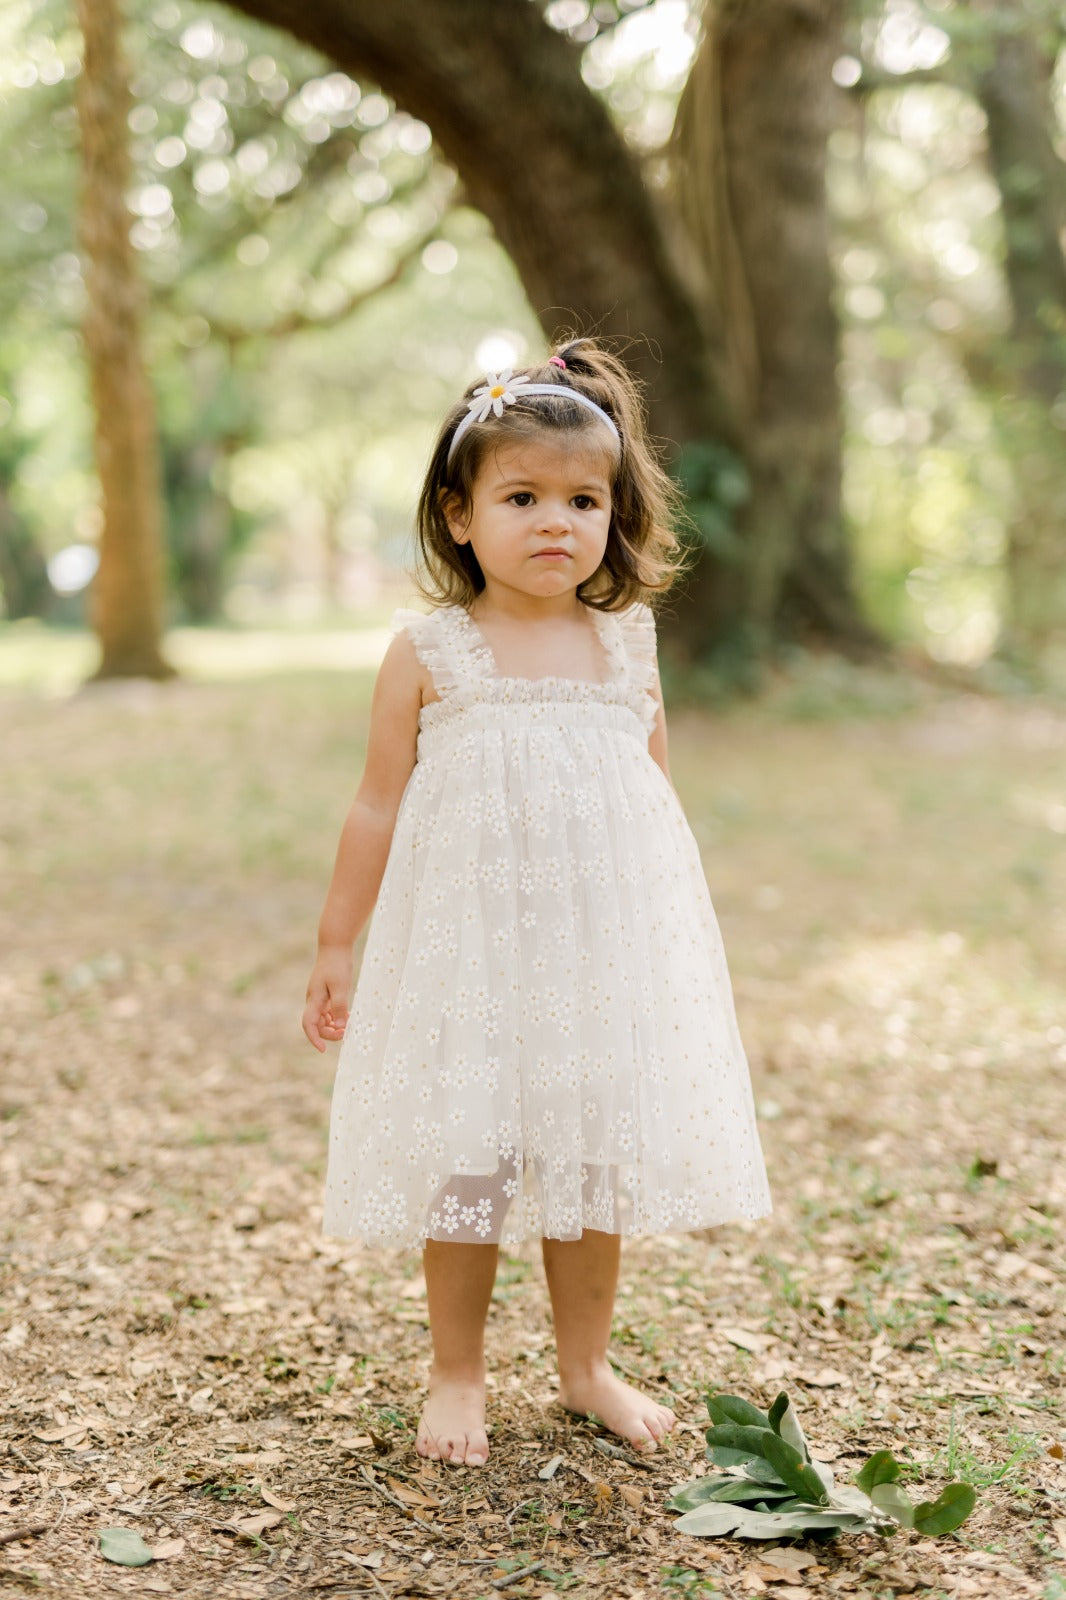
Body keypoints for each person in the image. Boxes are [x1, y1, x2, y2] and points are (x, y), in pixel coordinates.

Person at [302, 338, 771, 1467]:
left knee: (590, 1155)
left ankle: (583, 1365)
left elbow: (649, 800)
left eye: (582, 499)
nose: (555, 521)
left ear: (616, 513)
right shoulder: (431, 652)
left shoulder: (625, 644)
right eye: (522, 496)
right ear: (460, 515)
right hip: (470, 951)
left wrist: (665, 955)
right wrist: (335, 943)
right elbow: (375, 806)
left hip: (595, 952)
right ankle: (455, 1371)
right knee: (472, 1159)